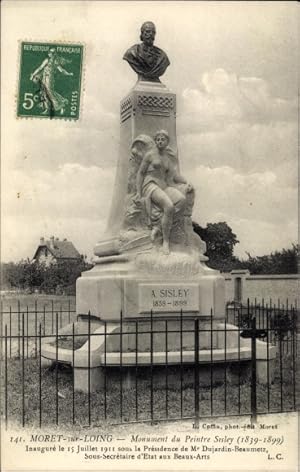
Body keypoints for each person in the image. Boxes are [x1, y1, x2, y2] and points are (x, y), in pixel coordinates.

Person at [133, 130, 193, 254]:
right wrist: (138, 192)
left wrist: (187, 183)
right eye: (158, 139)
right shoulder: (150, 155)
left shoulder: (167, 159)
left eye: (163, 139)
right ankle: (165, 242)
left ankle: (159, 227)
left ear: (167, 142)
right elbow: (141, 173)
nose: (160, 141)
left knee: (181, 200)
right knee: (169, 206)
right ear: (155, 141)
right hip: (150, 185)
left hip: (164, 186)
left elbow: (175, 175)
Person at [30, 48, 73, 115]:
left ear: (55, 54)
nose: (51, 54)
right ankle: (47, 108)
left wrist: (68, 73)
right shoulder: (47, 60)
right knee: (44, 92)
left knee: (49, 92)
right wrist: (33, 74)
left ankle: (61, 105)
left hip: (50, 79)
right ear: (49, 53)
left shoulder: (55, 61)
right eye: (50, 52)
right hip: (44, 78)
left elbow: (61, 70)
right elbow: (40, 68)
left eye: (53, 53)